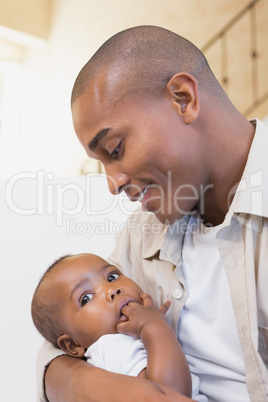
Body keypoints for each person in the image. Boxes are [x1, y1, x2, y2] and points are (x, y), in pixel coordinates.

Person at [37, 25, 268, 401]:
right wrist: (91, 385)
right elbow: (64, 335)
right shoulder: (142, 234)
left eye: (114, 150)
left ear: (183, 99)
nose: (112, 184)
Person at [32, 253, 206, 400]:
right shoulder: (112, 347)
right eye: (86, 298)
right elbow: (171, 395)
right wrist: (155, 327)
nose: (112, 289)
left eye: (112, 277)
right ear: (74, 345)